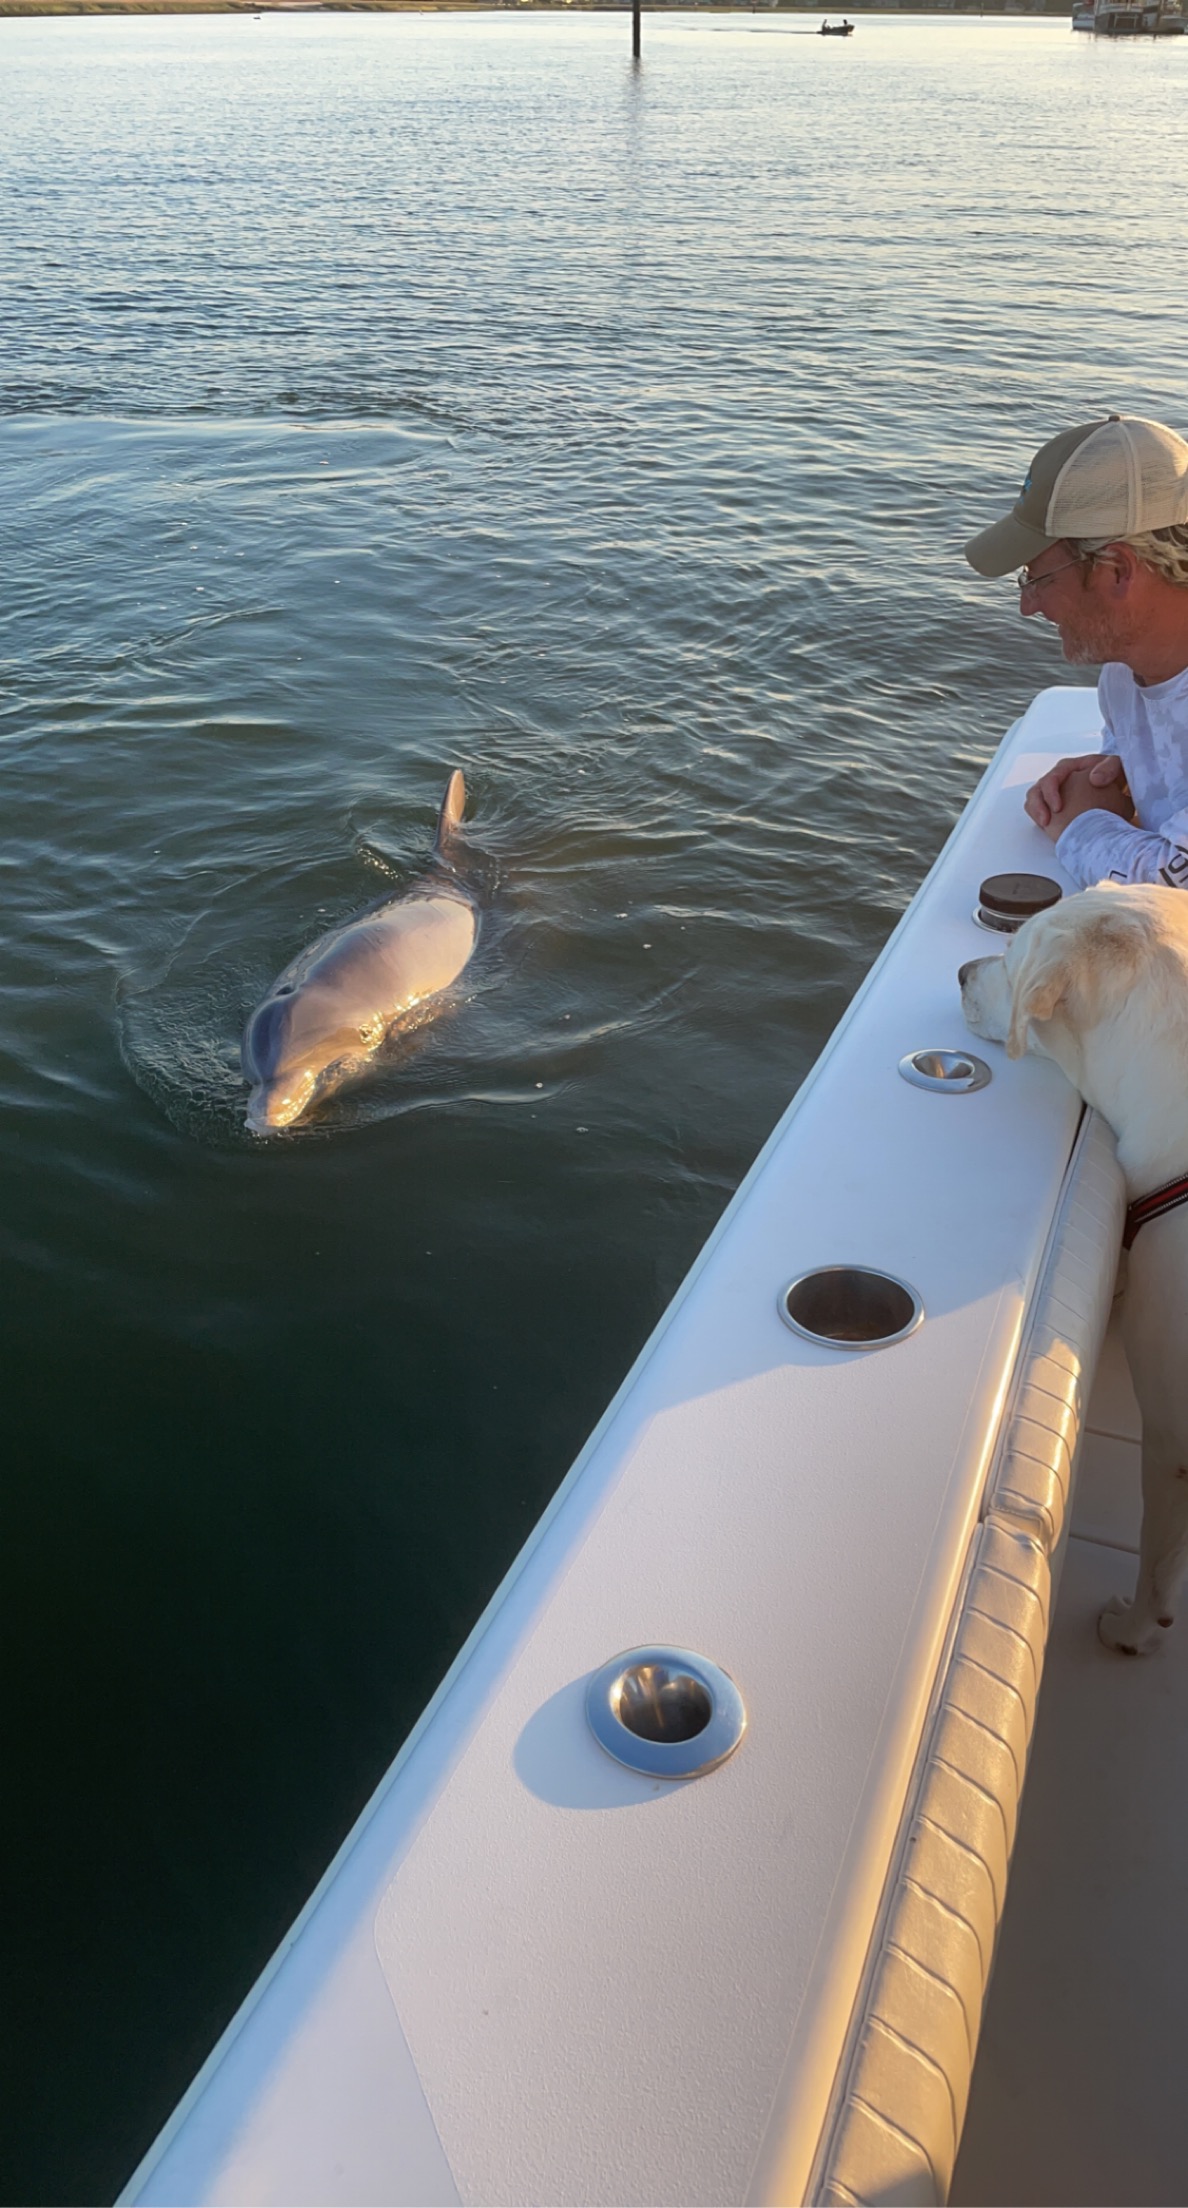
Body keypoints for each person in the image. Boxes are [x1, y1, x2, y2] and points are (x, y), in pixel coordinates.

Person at [964, 413, 1188, 889]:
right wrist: (1121, 770)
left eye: (1038, 578)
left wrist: (1081, 826)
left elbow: (1178, 885)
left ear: (1118, 571)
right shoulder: (1126, 672)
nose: (1027, 606)